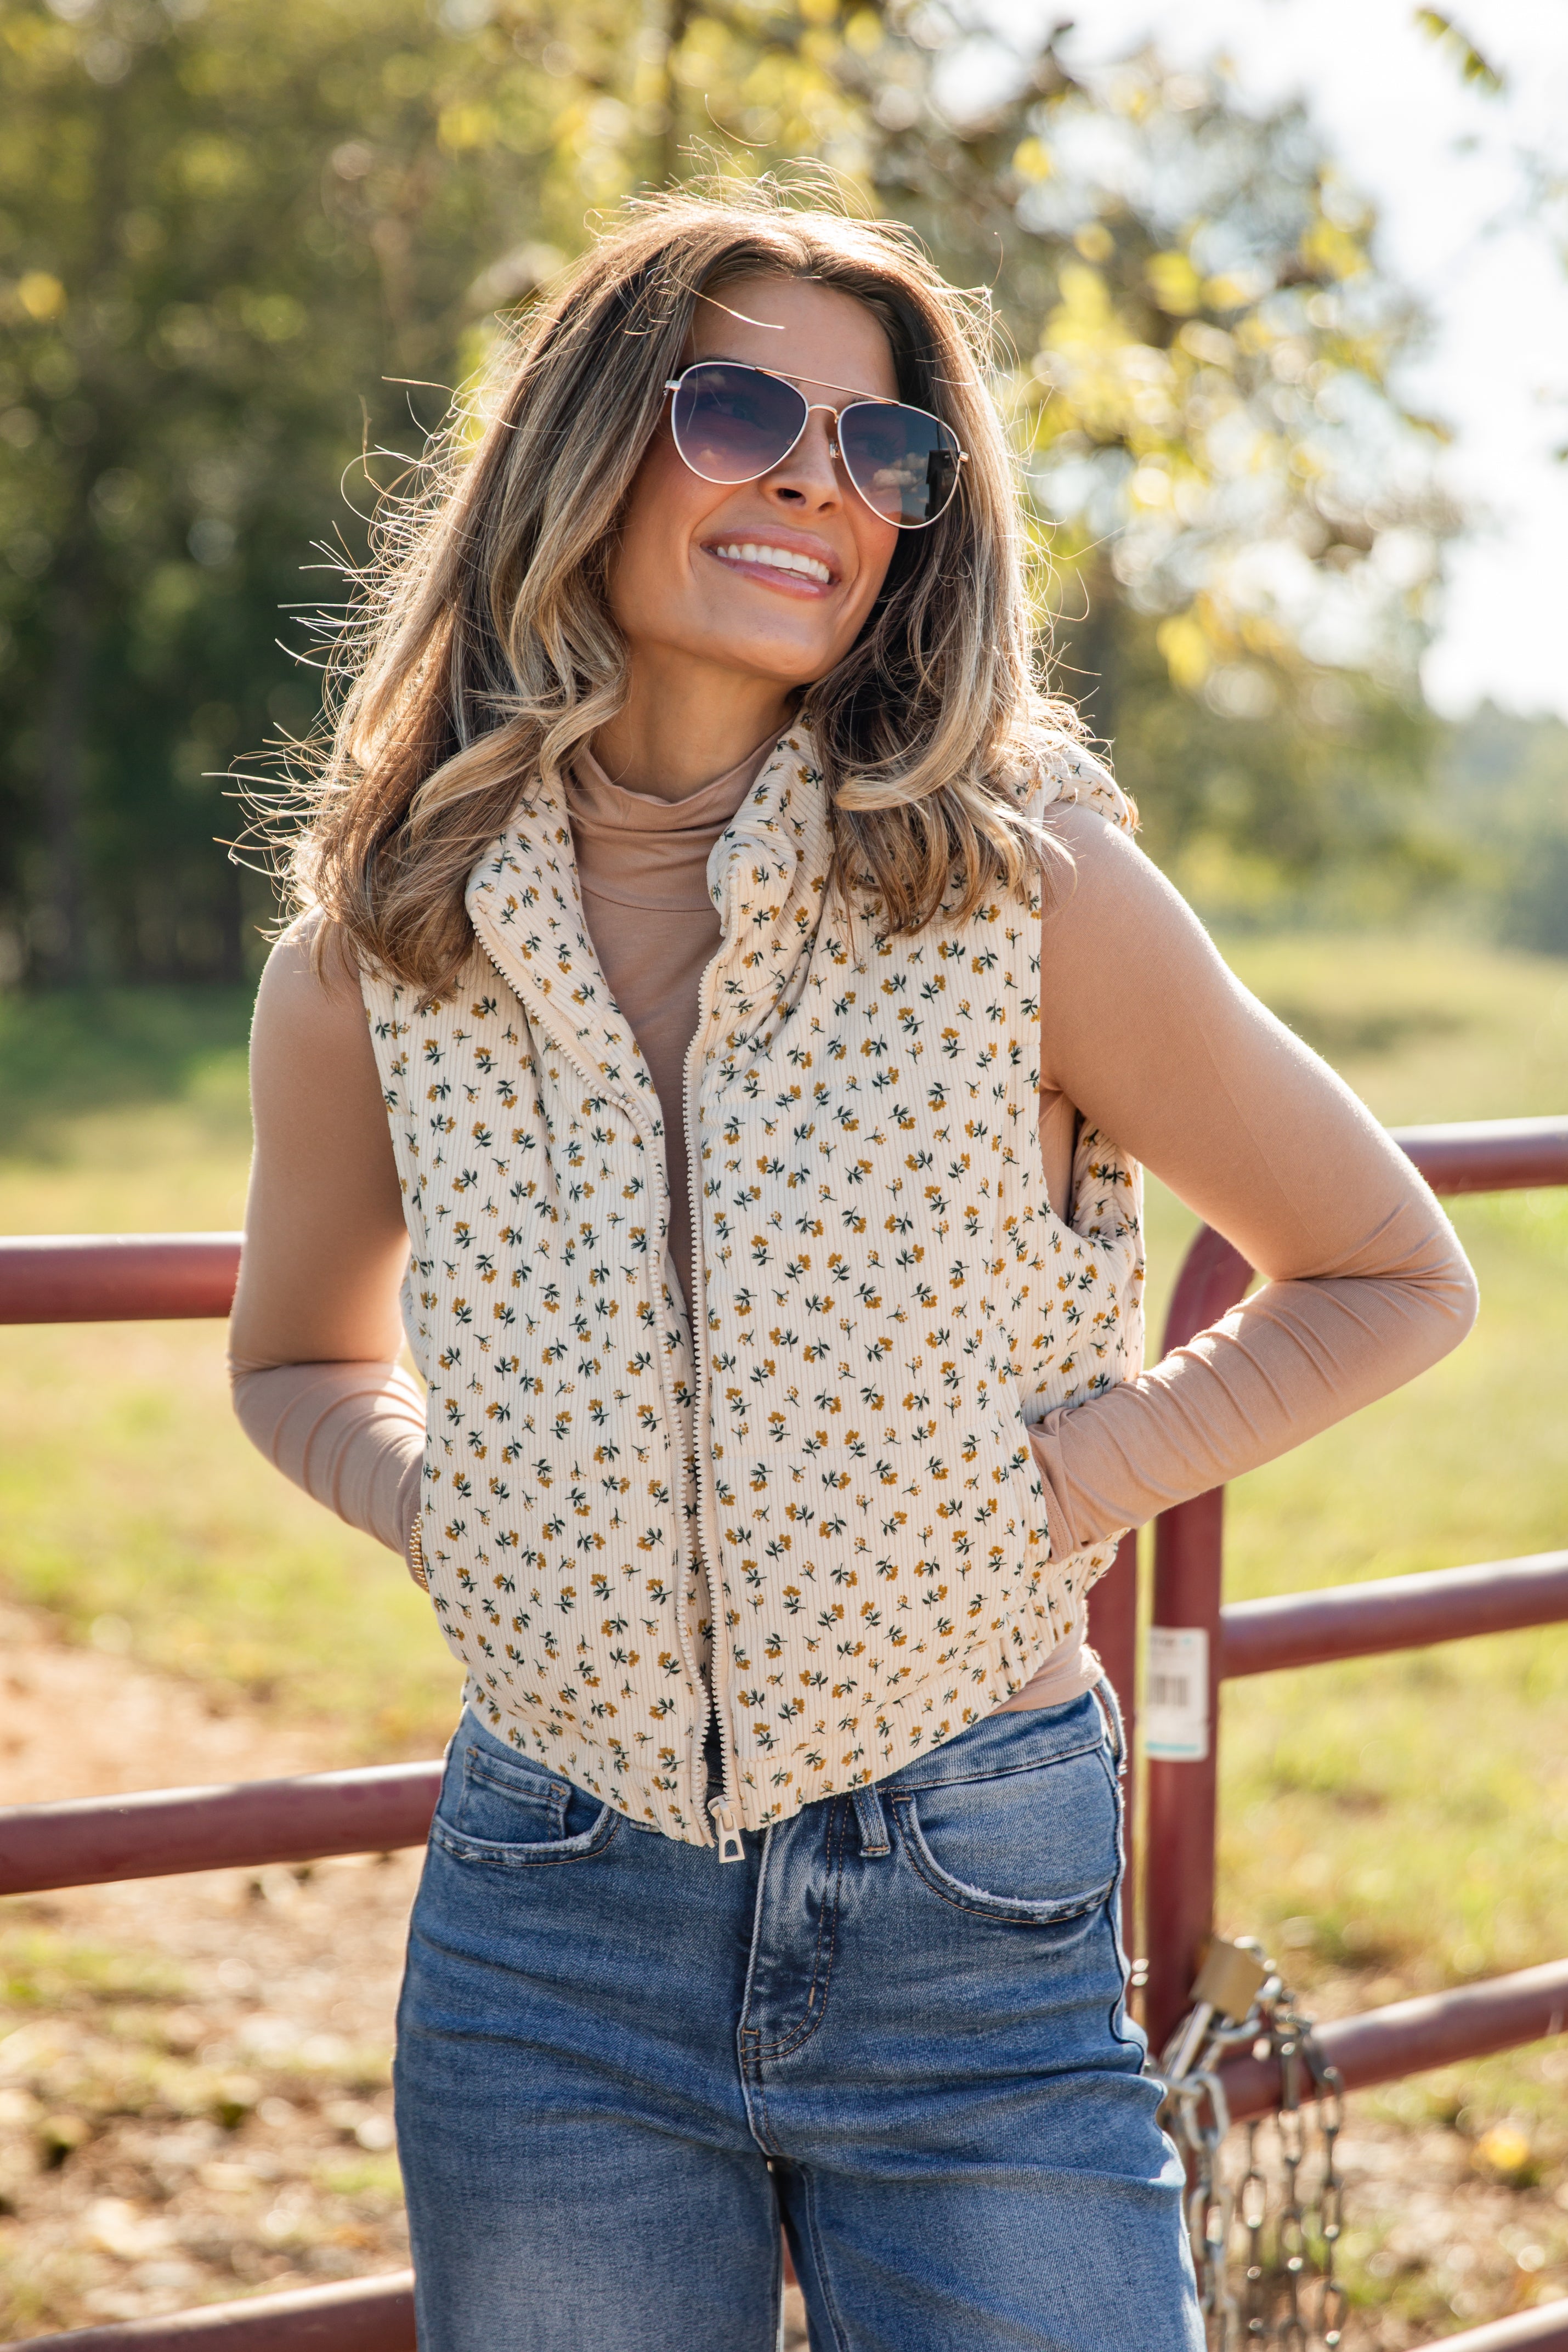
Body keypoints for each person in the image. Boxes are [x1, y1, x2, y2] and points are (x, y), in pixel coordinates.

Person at [228, 188, 1476, 2352]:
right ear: (587, 452)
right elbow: (292, 1361)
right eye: (737, 412)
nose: (819, 476)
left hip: (966, 1900)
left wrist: (1058, 1491)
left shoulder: (1027, 884)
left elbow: (1383, 1268)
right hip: (553, 1927)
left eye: (883, 448)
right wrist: (473, 1518)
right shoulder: (383, 951)